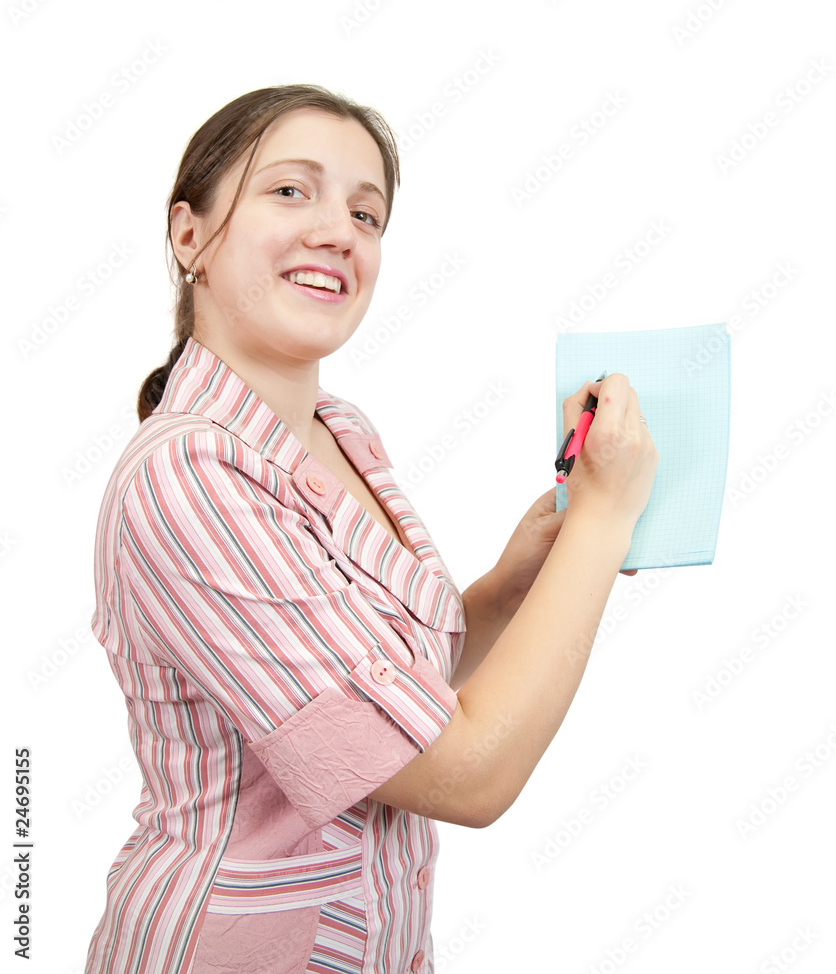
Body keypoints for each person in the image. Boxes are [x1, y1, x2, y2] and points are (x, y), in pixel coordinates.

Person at [85, 84, 658, 974]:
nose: (338, 232)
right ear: (189, 236)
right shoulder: (188, 475)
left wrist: (508, 590)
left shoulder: (341, 431)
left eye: (366, 213)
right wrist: (605, 520)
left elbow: (374, 703)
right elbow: (465, 776)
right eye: (290, 191)